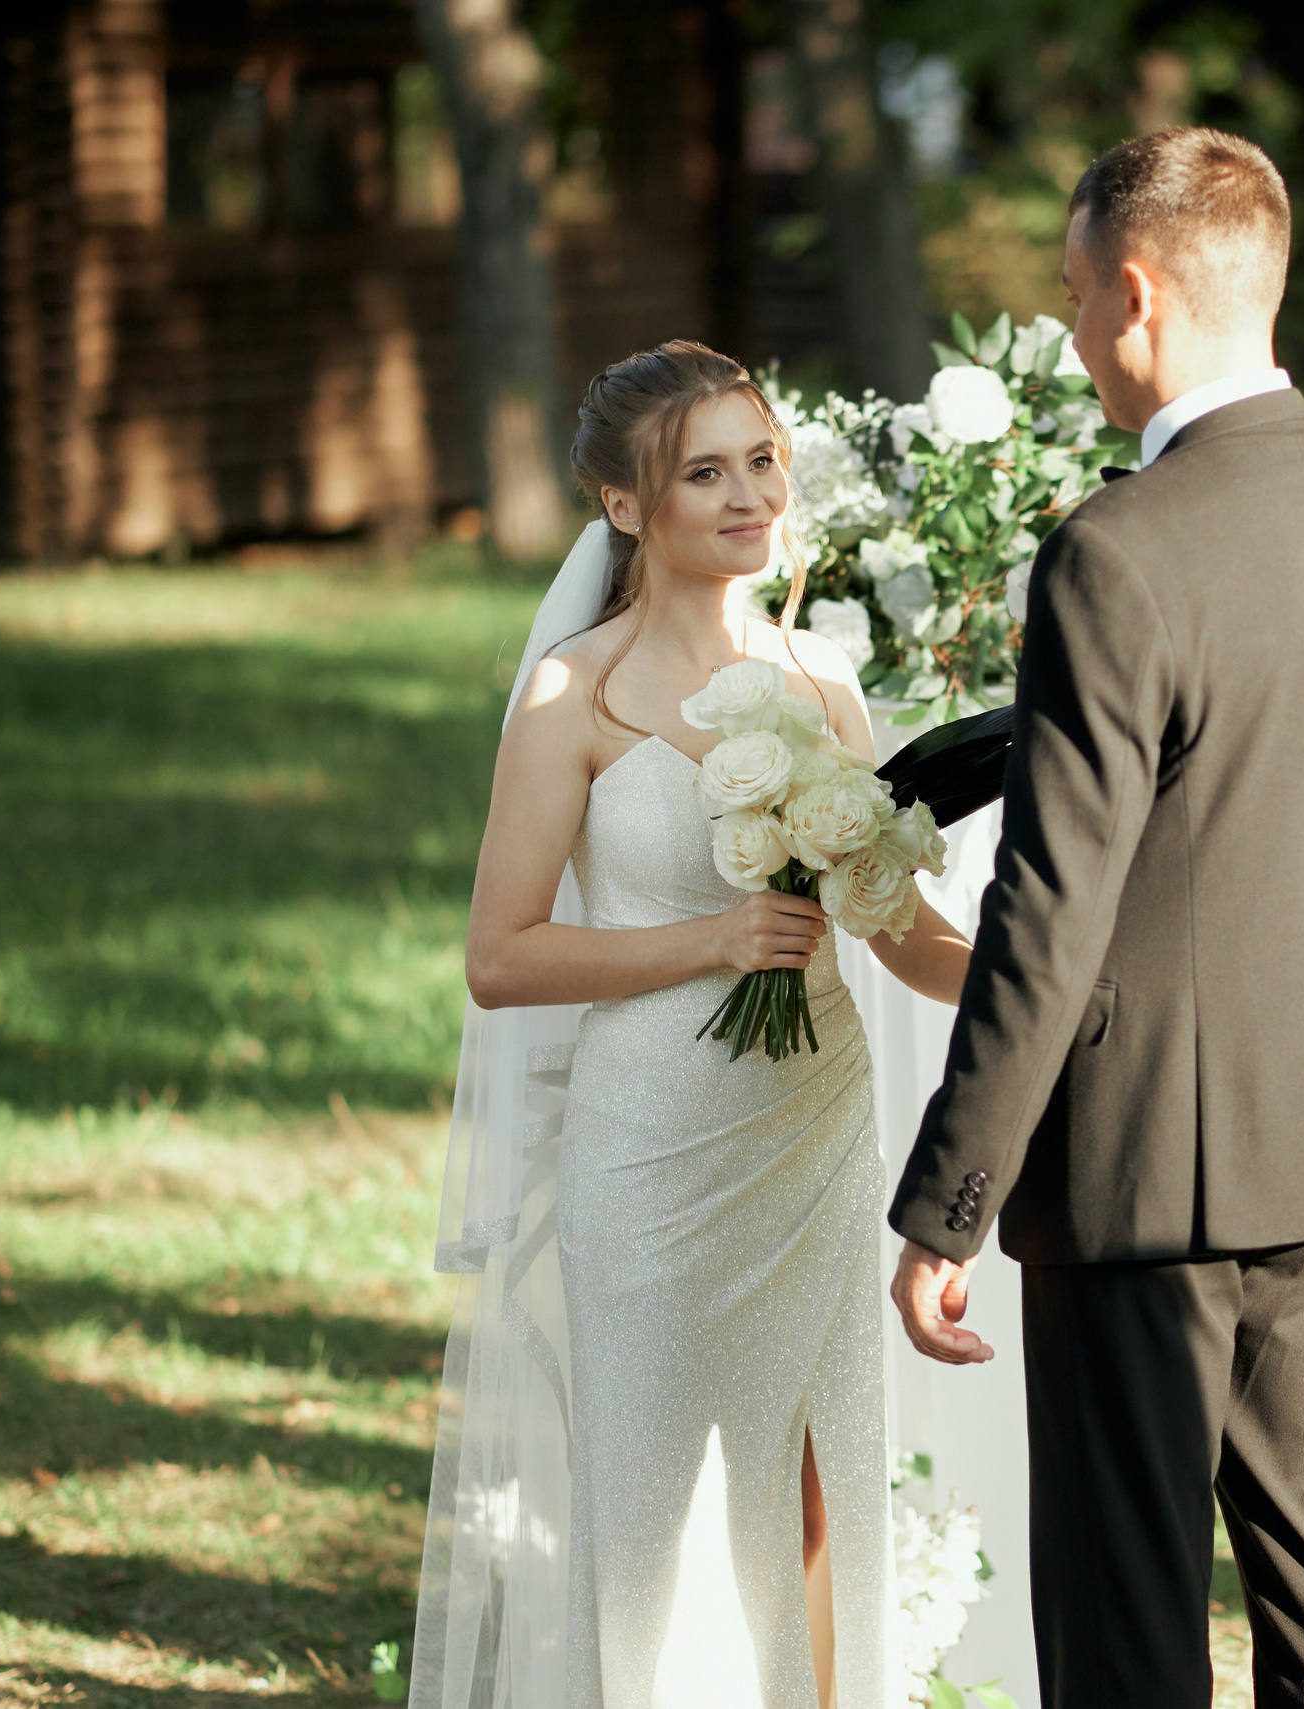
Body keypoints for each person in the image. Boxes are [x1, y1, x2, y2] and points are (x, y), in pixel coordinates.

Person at [885, 128, 1304, 1708]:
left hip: (1141, 1178)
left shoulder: (1116, 553)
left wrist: (950, 1199)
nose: (1074, 338)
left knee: (1125, 1614)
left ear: (1139, 295)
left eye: (1078, 299)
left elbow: (1048, 913)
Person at [412, 342, 973, 1709]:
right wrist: (713, 939)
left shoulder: (821, 675)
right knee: (650, 1516)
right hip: (651, 1149)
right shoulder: (574, 696)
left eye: (763, 459)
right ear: (622, 505)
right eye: (705, 470)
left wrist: (1055, 968)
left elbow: (901, 937)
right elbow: (501, 956)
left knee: (813, 1494)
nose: (750, 495)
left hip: (814, 1131)